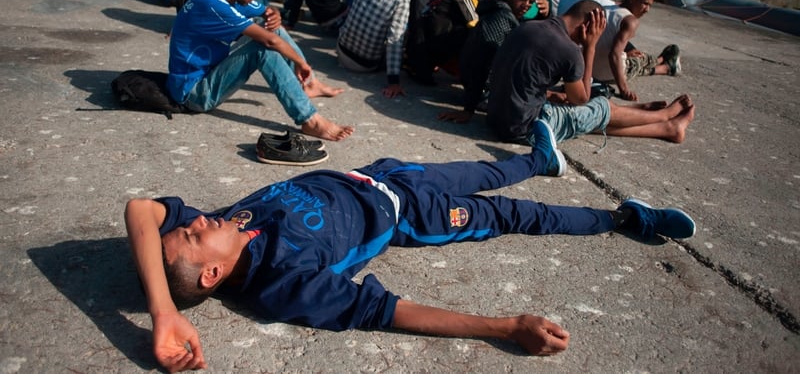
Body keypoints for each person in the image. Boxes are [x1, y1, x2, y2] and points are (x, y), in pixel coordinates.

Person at [126, 120, 696, 372]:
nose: (197, 218)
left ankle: (538, 159)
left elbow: (139, 211)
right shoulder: (282, 281)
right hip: (411, 214)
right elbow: (386, 312)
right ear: (212, 275)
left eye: (190, 224)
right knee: (519, 215)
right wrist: (504, 326)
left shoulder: (224, 226)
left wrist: (163, 312)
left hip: (381, 173)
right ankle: (623, 218)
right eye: (195, 234)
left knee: (480, 169)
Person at [169, 0, 354, 141]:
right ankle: (310, 120)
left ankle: (310, 83)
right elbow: (270, 41)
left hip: (210, 72)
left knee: (270, 27)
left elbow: (266, 11)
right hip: (194, 92)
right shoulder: (211, 4)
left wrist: (273, 14)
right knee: (264, 49)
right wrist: (301, 62)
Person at [488, 0, 695, 147]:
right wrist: (590, 47)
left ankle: (667, 129)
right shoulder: (569, 50)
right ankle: (664, 116)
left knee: (586, 115)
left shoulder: (529, 27)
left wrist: (550, 95)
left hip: (497, 117)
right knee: (598, 106)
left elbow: (520, 81)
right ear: (588, 25)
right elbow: (581, 99)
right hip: (525, 129)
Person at [438, 0, 540, 123]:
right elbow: (481, 63)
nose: (527, 5)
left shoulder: (498, 6)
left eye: (531, 1)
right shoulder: (500, 19)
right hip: (485, 94)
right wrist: (468, 109)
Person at [591, 0, 681, 101]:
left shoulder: (604, 9)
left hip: (590, 69)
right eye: (645, 3)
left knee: (632, 52)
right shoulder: (630, 21)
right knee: (637, 62)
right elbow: (614, 55)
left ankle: (661, 60)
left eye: (650, 5)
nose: (647, 9)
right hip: (606, 74)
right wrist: (624, 90)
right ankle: (665, 66)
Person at [337, 0, 412, 98]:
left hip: (342, 51)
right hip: (363, 64)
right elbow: (394, 41)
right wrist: (393, 82)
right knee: (403, 35)